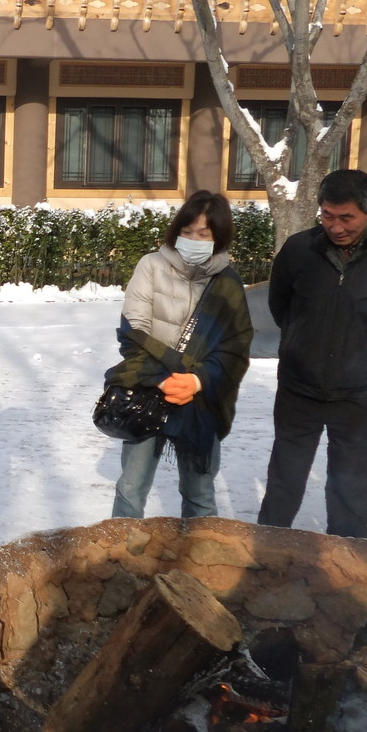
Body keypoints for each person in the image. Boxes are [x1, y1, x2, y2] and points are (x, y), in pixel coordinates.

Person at [257, 169, 367, 538]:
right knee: (284, 480)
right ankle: (266, 552)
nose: (336, 226)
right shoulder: (299, 249)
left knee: (350, 489)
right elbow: (281, 307)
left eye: (347, 217)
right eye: (327, 215)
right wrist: (304, 342)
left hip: (359, 395)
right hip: (299, 388)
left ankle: (346, 561)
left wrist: (360, 349)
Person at [108, 190, 253, 519]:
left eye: (203, 234)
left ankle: (200, 550)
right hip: (148, 389)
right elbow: (133, 332)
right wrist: (163, 378)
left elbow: (235, 347)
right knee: (131, 487)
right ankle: (123, 551)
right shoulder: (152, 266)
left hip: (200, 401)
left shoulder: (227, 283)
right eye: (187, 232)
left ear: (218, 237)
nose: (193, 240)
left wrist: (197, 381)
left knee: (200, 493)